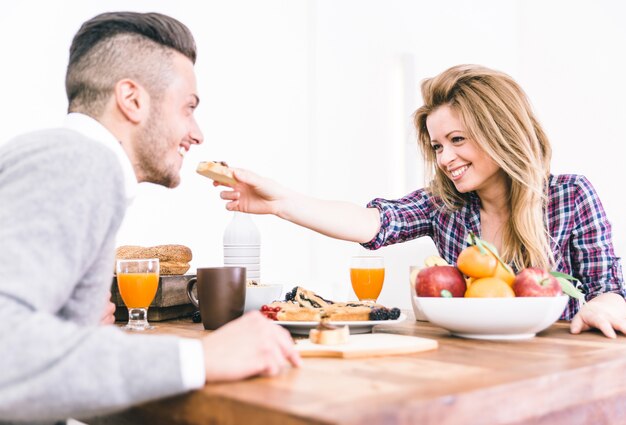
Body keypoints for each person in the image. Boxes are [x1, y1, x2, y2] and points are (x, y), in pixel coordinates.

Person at [0, 11, 300, 424]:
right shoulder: (78, 161)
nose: (197, 133)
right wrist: (198, 358)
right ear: (132, 100)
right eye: (187, 108)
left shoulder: (65, 159)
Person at [217, 64, 626, 339]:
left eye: (457, 140)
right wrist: (280, 202)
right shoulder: (445, 205)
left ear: (501, 133)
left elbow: (608, 291)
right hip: (473, 365)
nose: (445, 158)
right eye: (437, 146)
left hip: (560, 370)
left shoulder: (571, 196)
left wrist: (604, 305)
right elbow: (374, 222)